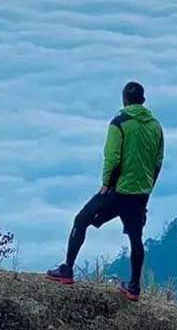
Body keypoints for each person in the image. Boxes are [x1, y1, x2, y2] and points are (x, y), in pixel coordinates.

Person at [46, 81, 164, 300]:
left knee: (81, 220)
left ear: (124, 100)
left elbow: (112, 157)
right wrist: (147, 190)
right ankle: (134, 288)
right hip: (140, 193)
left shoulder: (119, 123)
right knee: (136, 238)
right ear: (144, 101)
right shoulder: (156, 127)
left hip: (118, 190)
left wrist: (105, 185)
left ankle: (67, 270)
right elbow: (158, 163)